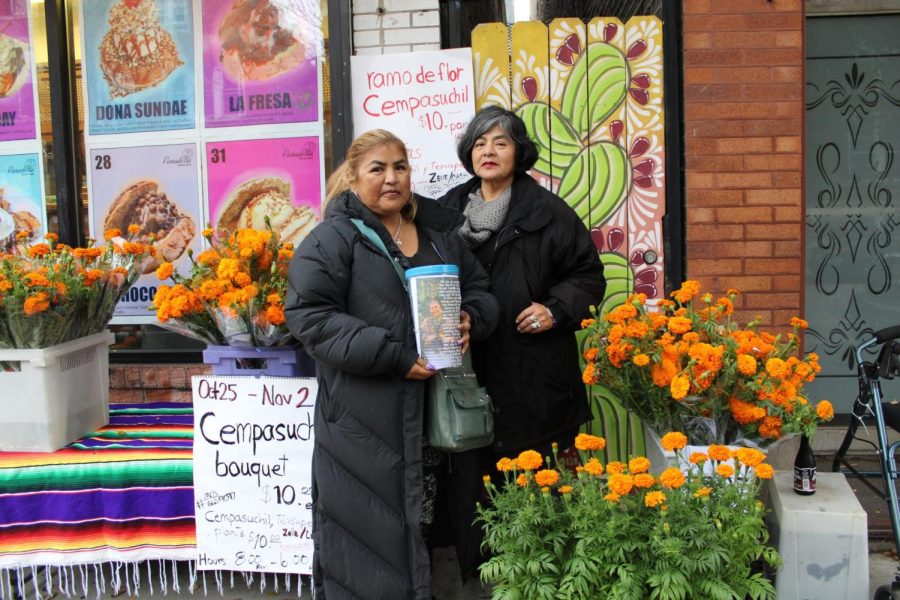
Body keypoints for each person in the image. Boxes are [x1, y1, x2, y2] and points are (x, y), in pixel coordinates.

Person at [284, 129, 499, 600]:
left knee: (437, 530)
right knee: (374, 542)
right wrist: (395, 357)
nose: (392, 178)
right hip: (367, 423)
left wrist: (471, 320)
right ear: (353, 176)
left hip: (443, 417)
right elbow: (310, 317)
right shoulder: (332, 240)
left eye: (400, 166)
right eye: (377, 169)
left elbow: (481, 290)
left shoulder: (442, 236)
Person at [436, 105, 607, 576]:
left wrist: (555, 309)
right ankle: (478, 575)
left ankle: (536, 575)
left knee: (530, 475)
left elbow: (589, 276)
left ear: (520, 152)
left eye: (501, 142)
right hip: (466, 370)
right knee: (472, 478)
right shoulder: (448, 210)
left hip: (532, 371)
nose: (488, 151)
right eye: (479, 143)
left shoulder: (546, 211)